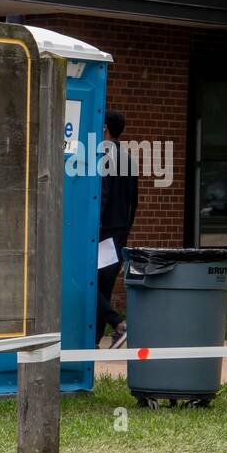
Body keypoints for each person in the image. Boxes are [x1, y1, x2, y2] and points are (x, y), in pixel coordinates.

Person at [96, 109, 139, 348]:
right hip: (120, 233)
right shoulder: (129, 159)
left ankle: (118, 324)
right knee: (103, 286)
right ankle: (93, 341)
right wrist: (126, 231)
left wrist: (94, 227)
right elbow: (135, 201)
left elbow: (102, 196)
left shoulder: (104, 156)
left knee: (86, 283)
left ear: (104, 128)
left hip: (103, 234)